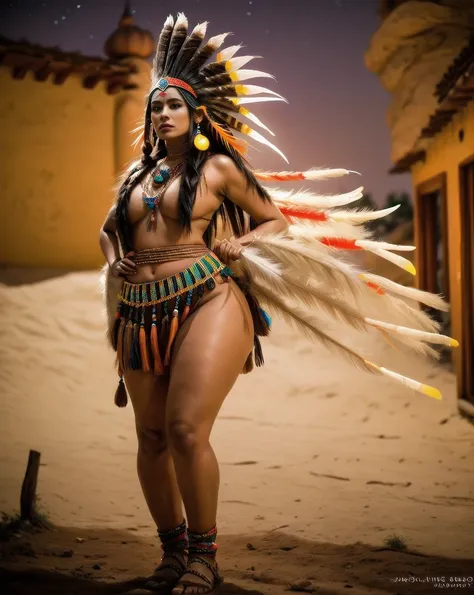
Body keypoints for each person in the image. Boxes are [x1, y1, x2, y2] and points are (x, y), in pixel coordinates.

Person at [99, 13, 458, 595]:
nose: (163, 113)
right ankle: (171, 554)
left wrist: (241, 241)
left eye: (175, 106)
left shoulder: (217, 167)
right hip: (140, 310)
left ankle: (204, 557)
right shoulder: (136, 179)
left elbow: (276, 221)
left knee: (186, 429)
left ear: (196, 117)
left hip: (206, 298)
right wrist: (115, 256)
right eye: (156, 105)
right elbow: (108, 230)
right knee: (151, 438)